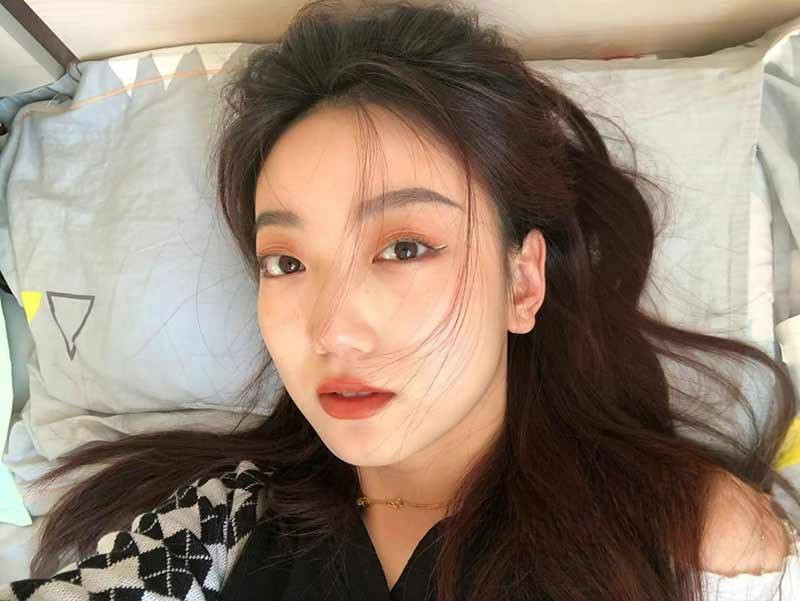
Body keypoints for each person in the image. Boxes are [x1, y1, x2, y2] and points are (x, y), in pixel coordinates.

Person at [2, 0, 800, 599]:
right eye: (286, 261)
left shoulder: (680, 538)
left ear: (523, 282)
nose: (332, 330)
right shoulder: (217, 523)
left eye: (405, 247)